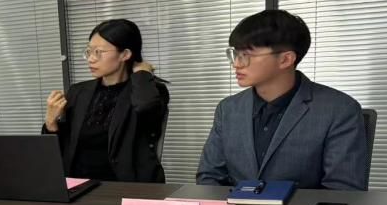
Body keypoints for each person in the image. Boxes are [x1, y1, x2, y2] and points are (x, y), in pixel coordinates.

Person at [197, 10, 368, 190]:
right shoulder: (228, 109)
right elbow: (209, 177)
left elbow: (343, 191)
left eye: (246, 55)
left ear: (285, 59)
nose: (236, 64)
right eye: (235, 54)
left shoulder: (339, 110)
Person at [43, 19, 169, 183]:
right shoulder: (78, 92)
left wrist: (142, 73)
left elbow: (145, 106)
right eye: (89, 51)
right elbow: (59, 152)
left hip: (126, 187)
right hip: (79, 185)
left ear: (125, 54)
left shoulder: (149, 90)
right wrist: (51, 124)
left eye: (98, 52)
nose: (90, 59)